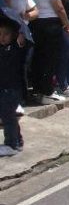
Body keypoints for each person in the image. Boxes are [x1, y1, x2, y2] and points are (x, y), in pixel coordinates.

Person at [0, 16, 25, 156]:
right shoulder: (2, 48)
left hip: (12, 89)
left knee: (8, 116)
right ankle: (18, 140)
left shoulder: (15, 48)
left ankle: (11, 144)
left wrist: (21, 35)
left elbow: (23, 43)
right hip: (3, 88)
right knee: (8, 115)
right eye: (0, 34)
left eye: (6, 34)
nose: (2, 37)